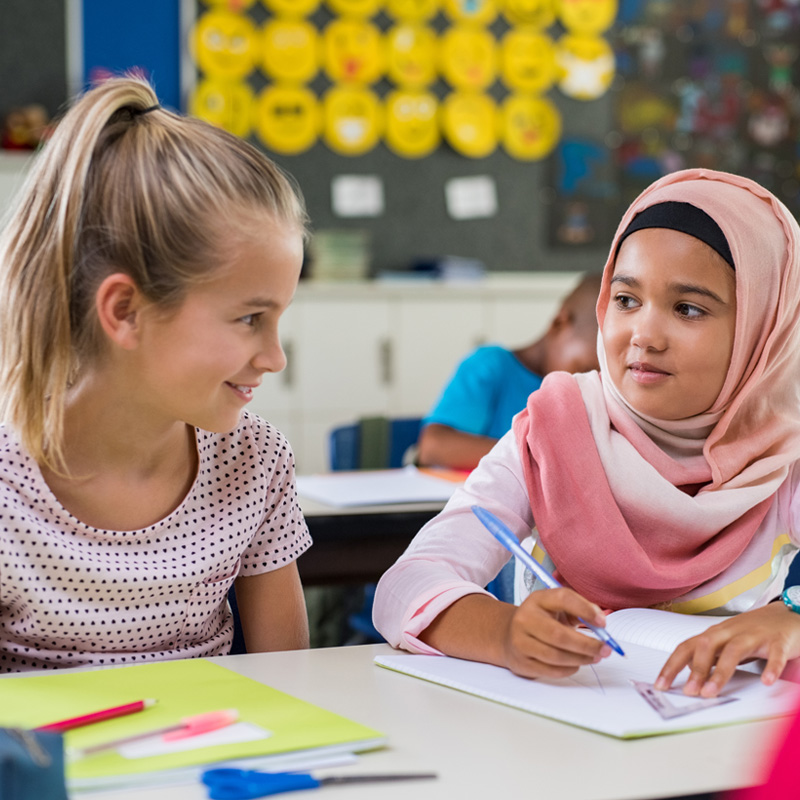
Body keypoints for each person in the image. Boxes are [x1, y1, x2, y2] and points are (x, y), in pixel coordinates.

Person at [374, 168, 800, 699]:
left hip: (720, 747)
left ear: (765, 331)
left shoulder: (781, 461)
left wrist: (791, 620)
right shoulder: (551, 434)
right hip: (561, 745)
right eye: (626, 300)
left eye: (688, 309)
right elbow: (401, 588)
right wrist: (504, 634)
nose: (643, 334)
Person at [0, 77, 312, 672]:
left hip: (215, 761)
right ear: (125, 311)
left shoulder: (256, 459)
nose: (275, 357)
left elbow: (293, 683)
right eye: (250, 318)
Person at [416, 272, 602, 471]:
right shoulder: (490, 366)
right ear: (559, 323)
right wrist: (538, 457)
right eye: (585, 369)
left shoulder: (587, 395)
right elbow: (432, 446)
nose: (587, 382)